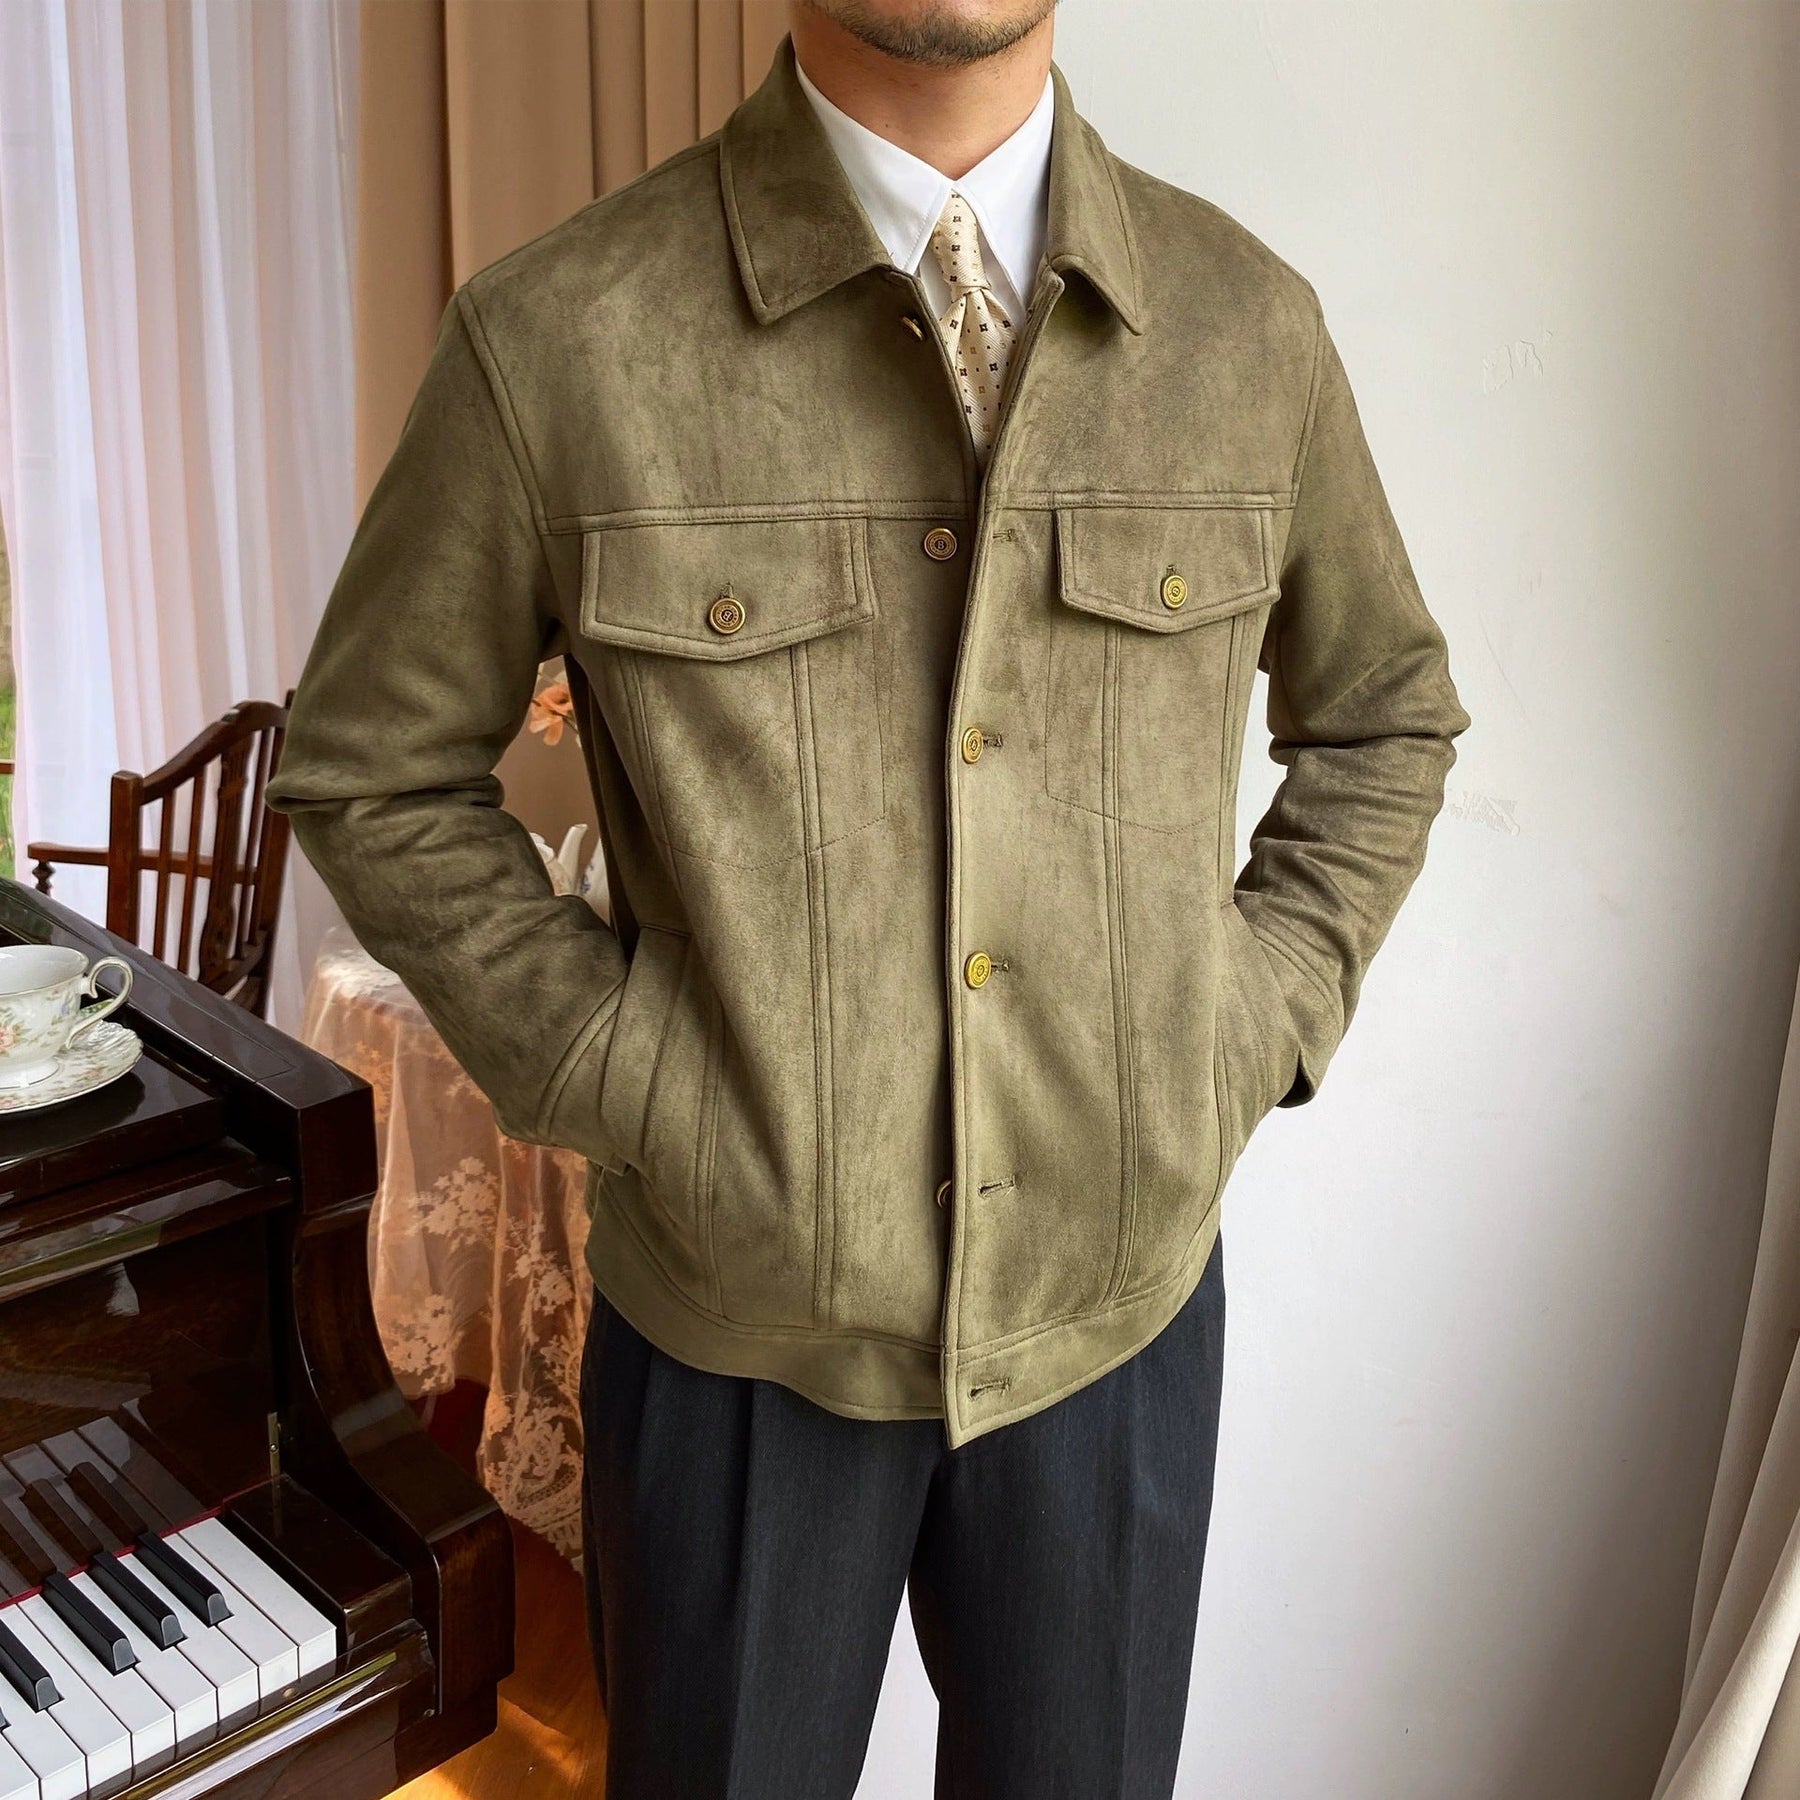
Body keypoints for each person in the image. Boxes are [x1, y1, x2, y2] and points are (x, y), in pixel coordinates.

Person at [264, 2, 1471, 1793]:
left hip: (1114, 1324)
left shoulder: (1247, 328)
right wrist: (625, 1070)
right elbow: (373, 764)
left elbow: (1384, 719)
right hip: (729, 1341)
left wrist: (1243, 1023)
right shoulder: (562, 334)